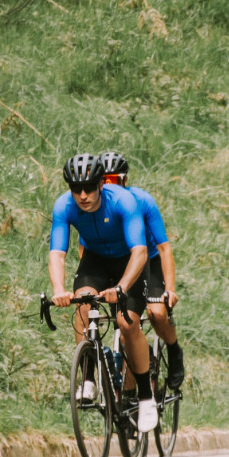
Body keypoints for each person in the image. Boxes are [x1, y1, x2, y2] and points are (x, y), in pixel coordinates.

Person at [47, 152, 157, 434]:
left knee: (126, 323)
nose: (82, 195)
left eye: (89, 188)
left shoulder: (123, 201)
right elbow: (57, 254)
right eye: (76, 189)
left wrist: (121, 287)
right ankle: (88, 375)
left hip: (129, 263)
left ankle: (145, 397)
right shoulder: (64, 206)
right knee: (82, 302)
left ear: (101, 185)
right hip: (95, 261)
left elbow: (140, 251)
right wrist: (59, 290)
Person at [100, 150, 183, 394]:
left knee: (157, 313)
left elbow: (164, 247)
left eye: (113, 180)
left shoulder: (142, 201)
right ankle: (129, 394)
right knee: (126, 330)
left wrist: (169, 289)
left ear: (124, 180)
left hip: (150, 262)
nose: (108, 187)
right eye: (102, 182)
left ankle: (174, 349)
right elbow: (86, 247)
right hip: (118, 264)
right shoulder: (98, 206)